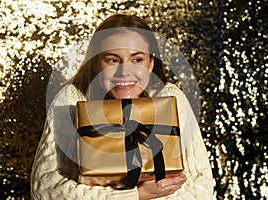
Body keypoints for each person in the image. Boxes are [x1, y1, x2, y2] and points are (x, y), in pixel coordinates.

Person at [31, 14, 213, 200]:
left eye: (137, 60)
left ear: (150, 64)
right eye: (112, 60)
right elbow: (45, 190)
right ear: (96, 65)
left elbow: (201, 190)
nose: (125, 72)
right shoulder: (71, 100)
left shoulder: (170, 99)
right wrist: (138, 194)